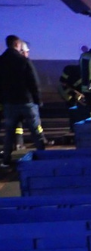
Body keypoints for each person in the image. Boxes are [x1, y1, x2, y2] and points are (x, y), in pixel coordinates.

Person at [0, 35, 46, 167]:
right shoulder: (24, 61)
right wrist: (38, 100)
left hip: (9, 103)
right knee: (36, 130)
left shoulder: (1, 61)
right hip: (27, 102)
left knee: (9, 133)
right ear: (17, 45)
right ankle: (42, 155)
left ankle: (6, 159)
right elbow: (34, 82)